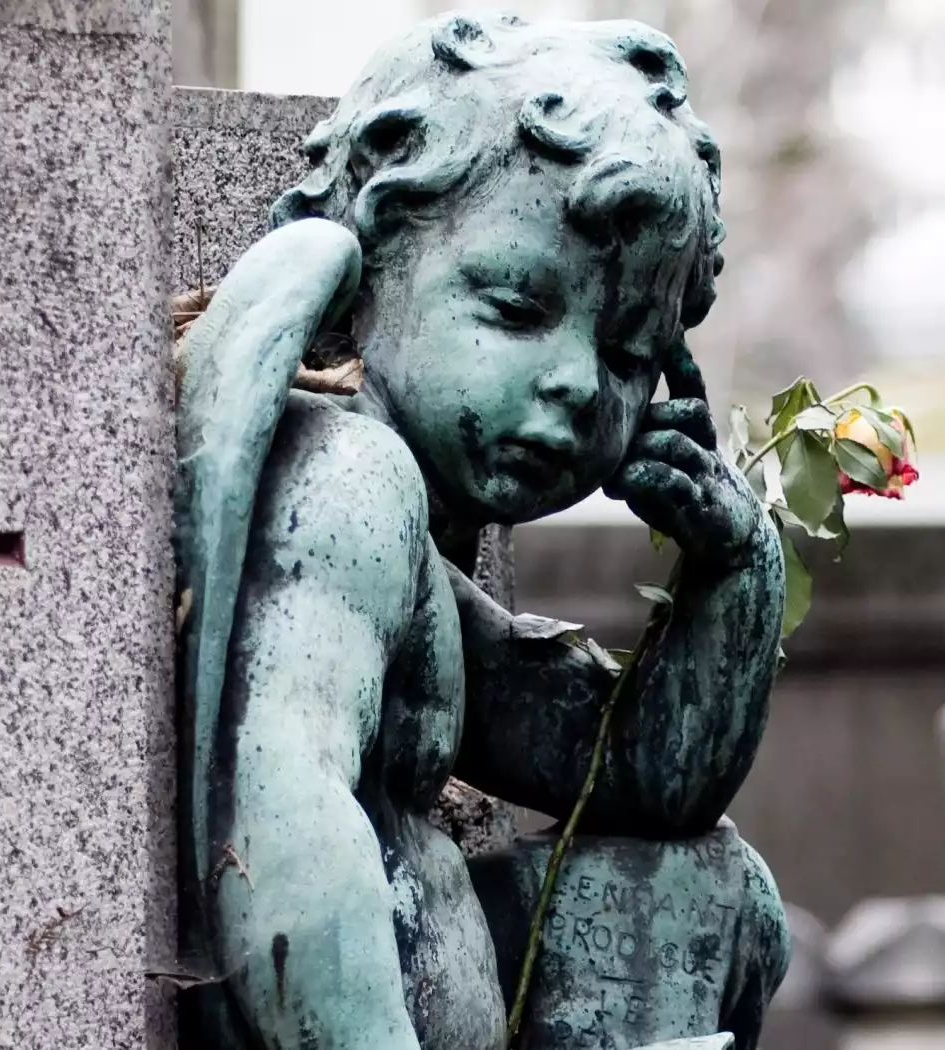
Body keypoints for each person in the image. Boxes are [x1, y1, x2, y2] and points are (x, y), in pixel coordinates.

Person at [174, 13, 787, 1049]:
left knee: (712, 893)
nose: (578, 382)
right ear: (374, 261)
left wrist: (734, 567)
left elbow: (638, 778)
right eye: (516, 306)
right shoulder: (349, 486)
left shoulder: (410, 540)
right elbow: (282, 829)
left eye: (629, 354)